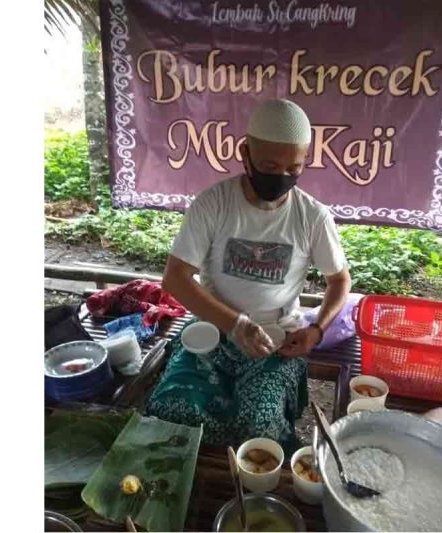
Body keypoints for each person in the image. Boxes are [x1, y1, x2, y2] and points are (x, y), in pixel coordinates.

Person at [145, 99, 351, 453]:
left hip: (277, 341)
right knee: (171, 410)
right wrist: (235, 325)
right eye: (271, 165)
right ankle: (203, 471)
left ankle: (248, 473)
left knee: (260, 425)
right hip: (212, 333)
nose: (282, 176)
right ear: (245, 152)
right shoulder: (213, 204)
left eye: (294, 167)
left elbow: (339, 280)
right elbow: (176, 278)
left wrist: (316, 330)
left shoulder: (312, 216)